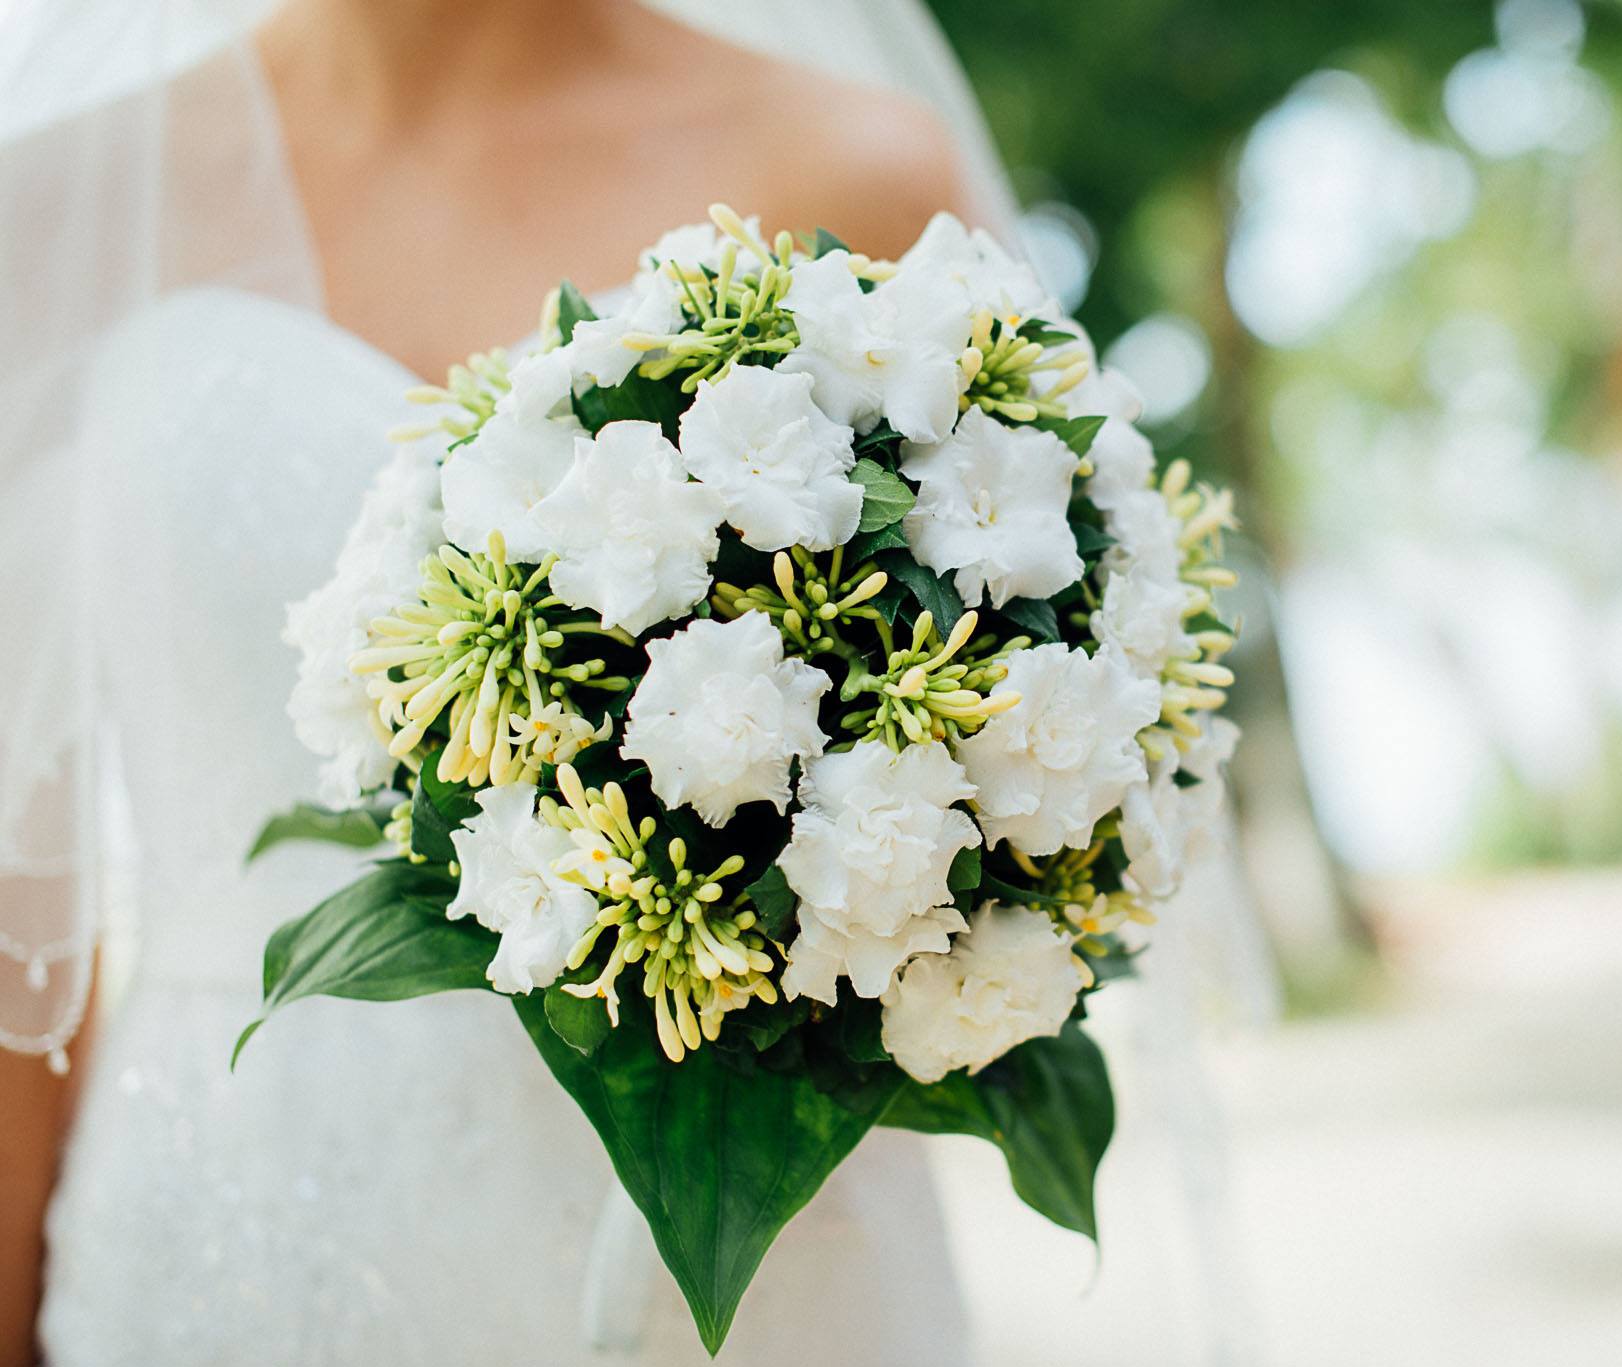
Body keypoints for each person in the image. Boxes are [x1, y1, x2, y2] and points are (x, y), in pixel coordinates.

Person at [0, 1, 998, 1361]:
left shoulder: (854, 171)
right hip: (228, 1247)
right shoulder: (49, 206)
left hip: (740, 1273)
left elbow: (992, 766)